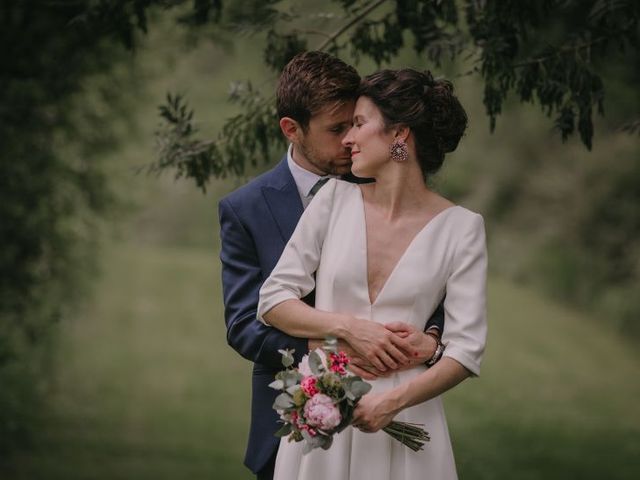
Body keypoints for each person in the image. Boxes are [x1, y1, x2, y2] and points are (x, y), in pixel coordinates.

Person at [218, 52, 445, 480]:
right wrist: (323, 349)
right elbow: (244, 323)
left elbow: (430, 285)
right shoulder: (244, 208)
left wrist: (428, 338)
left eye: (354, 124)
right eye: (336, 128)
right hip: (292, 422)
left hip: (390, 411)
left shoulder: (386, 184)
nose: (348, 140)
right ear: (292, 128)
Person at [257, 68, 487, 479]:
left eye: (359, 124)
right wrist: (346, 328)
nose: (348, 139)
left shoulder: (462, 227)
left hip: (408, 414)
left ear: (399, 135)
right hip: (325, 407)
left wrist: (392, 402)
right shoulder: (333, 199)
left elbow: (465, 350)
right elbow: (274, 300)